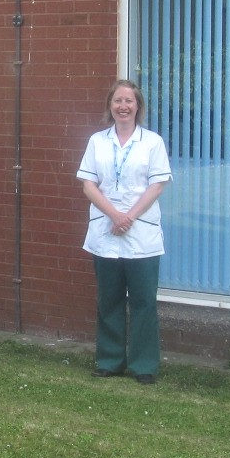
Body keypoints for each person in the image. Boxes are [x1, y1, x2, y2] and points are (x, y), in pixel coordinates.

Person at [76, 79, 171, 382]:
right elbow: (89, 185)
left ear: (138, 106)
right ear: (110, 106)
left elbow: (157, 185)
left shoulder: (152, 142)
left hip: (141, 232)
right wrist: (115, 215)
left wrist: (128, 217)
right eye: (117, 101)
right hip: (106, 230)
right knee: (109, 299)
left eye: (129, 101)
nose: (123, 106)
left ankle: (144, 366)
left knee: (144, 302)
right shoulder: (97, 141)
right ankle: (110, 360)